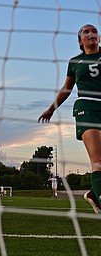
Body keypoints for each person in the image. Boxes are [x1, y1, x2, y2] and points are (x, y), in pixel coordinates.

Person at [38, 24, 101, 214]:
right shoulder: (75, 61)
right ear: (80, 42)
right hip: (87, 108)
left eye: (94, 31)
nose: (91, 34)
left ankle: (93, 194)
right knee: (98, 160)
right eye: (86, 32)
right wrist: (51, 109)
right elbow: (67, 89)